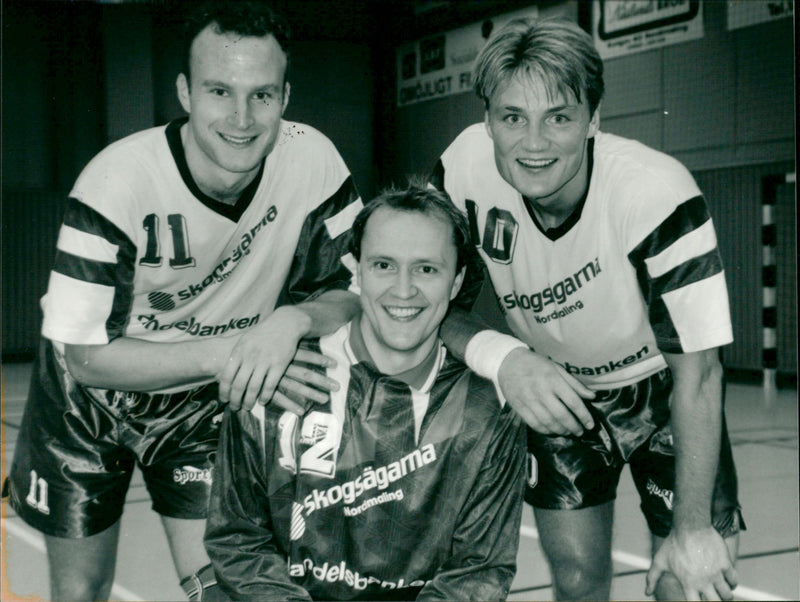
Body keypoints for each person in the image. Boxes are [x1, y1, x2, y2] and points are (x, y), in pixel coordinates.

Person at [3, 2, 362, 600]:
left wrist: (292, 319)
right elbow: (86, 358)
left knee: (227, 589)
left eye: (262, 95)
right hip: (85, 401)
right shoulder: (115, 184)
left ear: (286, 96)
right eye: (220, 91)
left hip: (202, 398)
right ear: (185, 92)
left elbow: (349, 292)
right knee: (80, 591)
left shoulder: (314, 161)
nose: (242, 119)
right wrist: (231, 352)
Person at [430, 17, 743, 602]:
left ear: (593, 119)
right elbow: (424, 305)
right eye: (512, 117)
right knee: (576, 579)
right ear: (488, 120)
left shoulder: (654, 193)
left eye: (560, 117)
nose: (534, 143)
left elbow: (699, 375)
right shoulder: (462, 172)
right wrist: (506, 359)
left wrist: (694, 527)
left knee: (688, 582)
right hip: (559, 390)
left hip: (663, 391)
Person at [204, 184, 527, 601]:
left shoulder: (489, 406)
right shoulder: (279, 376)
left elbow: (478, 571)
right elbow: (238, 540)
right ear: (356, 273)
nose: (404, 290)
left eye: (427, 269)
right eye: (383, 266)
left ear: (456, 280)